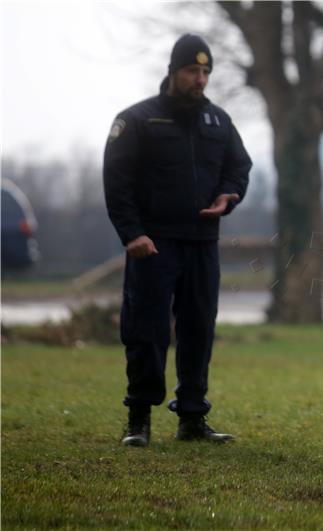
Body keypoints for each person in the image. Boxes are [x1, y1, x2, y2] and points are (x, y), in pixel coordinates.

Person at [103, 33, 251, 447]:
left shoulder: (218, 121)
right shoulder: (137, 120)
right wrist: (131, 234)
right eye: (192, 71)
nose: (200, 79)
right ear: (172, 72)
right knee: (147, 330)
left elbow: (239, 166)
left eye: (205, 72)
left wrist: (229, 194)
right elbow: (116, 182)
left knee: (199, 329)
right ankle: (139, 420)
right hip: (154, 243)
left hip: (202, 243)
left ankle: (191, 419)